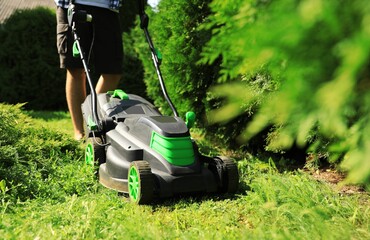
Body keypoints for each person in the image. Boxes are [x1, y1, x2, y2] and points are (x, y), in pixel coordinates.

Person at [54, 0, 123, 140]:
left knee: (112, 72)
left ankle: (91, 121)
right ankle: (80, 133)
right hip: (73, 4)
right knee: (76, 69)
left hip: (108, 7)